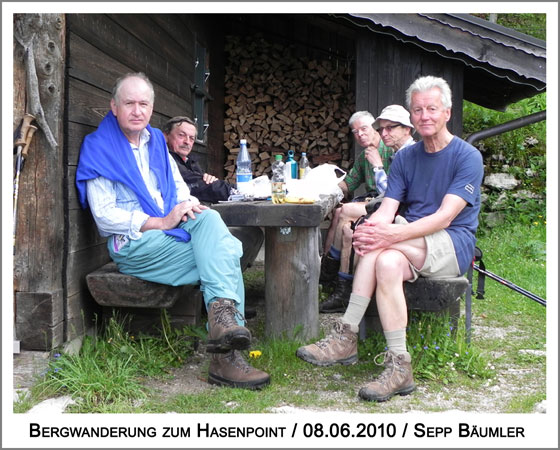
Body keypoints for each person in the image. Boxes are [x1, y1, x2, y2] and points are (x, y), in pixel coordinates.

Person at [75, 72, 269, 390]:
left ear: (151, 108)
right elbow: (105, 217)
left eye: (143, 103)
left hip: (170, 236)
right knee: (227, 252)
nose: (137, 110)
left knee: (207, 220)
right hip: (135, 246)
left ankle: (222, 327)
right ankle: (227, 356)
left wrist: (188, 206)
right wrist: (162, 222)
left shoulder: (155, 143)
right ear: (114, 106)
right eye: (129, 103)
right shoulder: (99, 148)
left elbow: (179, 191)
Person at [297, 75, 483, 403]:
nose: (425, 115)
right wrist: (372, 230)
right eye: (418, 110)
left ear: (447, 113)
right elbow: (388, 208)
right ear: (411, 116)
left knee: (383, 244)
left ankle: (345, 336)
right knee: (384, 259)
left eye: (432, 109)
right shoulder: (405, 158)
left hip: (452, 243)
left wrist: (389, 233)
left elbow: (445, 217)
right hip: (409, 242)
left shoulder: (466, 156)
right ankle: (399, 365)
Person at [319, 106, 415, 314]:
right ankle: (337, 283)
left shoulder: (395, 152)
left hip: (390, 209)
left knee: (343, 214)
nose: (361, 135)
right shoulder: (366, 156)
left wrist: (378, 165)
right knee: (344, 225)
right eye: (356, 132)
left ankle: (328, 275)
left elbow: (391, 194)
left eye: (365, 129)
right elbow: (350, 183)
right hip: (379, 204)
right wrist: (322, 190)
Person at [163, 116, 236, 203]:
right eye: (181, 135)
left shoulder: (189, 161)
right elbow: (200, 186)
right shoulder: (165, 160)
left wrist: (209, 180)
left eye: (191, 138)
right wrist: (237, 191)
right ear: (165, 136)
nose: (187, 141)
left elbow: (203, 184)